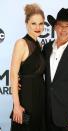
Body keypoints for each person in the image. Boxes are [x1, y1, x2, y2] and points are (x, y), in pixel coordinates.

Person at [10, 3, 45, 131]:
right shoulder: (21, 43)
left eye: (41, 23)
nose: (38, 27)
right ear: (26, 24)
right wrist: (17, 105)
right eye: (33, 23)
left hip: (40, 98)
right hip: (26, 99)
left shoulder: (39, 45)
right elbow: (13, 75)